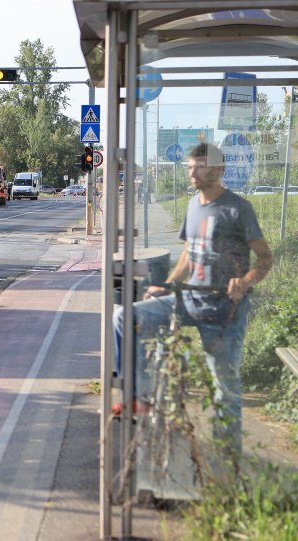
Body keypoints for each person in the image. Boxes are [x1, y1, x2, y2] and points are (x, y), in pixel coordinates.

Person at [112, 143, 272, 457]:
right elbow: (188, 252)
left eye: (199, 166)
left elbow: (265, 259)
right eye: (190, 166)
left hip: (224, 311)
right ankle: (138, 396)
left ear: (219, 170)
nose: (192, 171)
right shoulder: (192, 205)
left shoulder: (238, 209)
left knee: (225, 389)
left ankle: (229, 461)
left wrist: (245, 282)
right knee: (124, 317)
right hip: (188, 299)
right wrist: (168, 285)